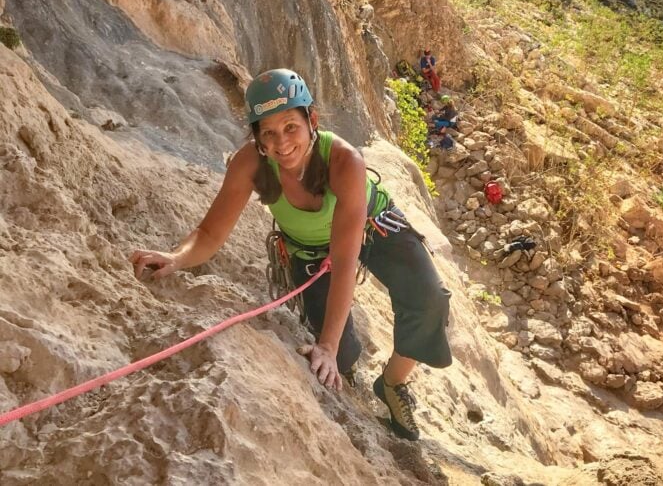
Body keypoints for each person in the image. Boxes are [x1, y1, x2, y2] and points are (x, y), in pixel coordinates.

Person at [130, 69, 452, 441]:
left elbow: (345, 259)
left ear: (311, 121)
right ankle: (348, 358)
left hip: (373, 223)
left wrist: (326, 346)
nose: (281, 143)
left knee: (428, 299)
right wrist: (176, 257)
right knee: (343, 359)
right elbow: (209, 233)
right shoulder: (250, 164)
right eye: (268, 132)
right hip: (309, 247)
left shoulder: (345, 162)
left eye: (290, 127)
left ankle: (393, 384)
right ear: (257, 137)